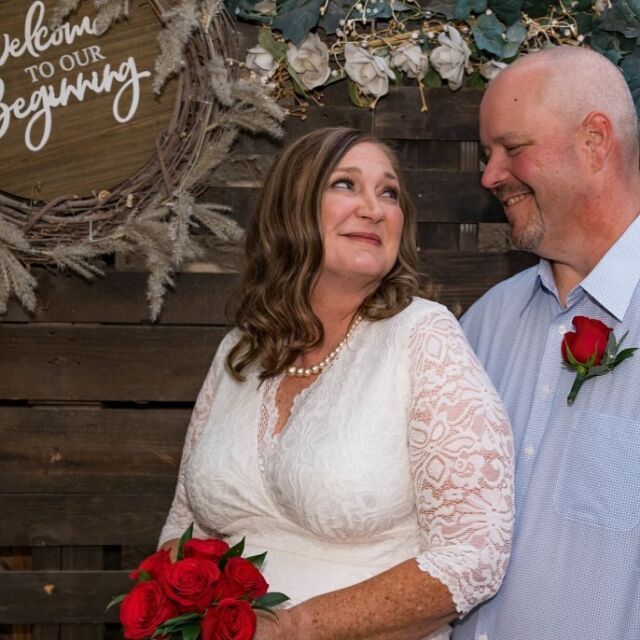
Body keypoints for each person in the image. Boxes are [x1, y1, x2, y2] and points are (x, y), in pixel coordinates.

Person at [159, 126, 514, 639]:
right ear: (291, 207)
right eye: (346, 184)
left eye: (388, 193)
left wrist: (289, 628)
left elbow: (473, 556)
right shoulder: (239, 350)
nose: (373, 208)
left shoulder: (423, 336)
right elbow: (182, 530)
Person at [455, 46, 640, 640]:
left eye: (512, 148)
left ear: (594, 141)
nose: (489, 175)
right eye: (488, 155)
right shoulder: (481, 327)